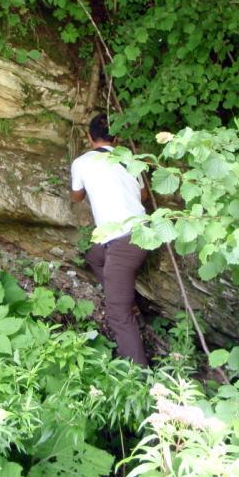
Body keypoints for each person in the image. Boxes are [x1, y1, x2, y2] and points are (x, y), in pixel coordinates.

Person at [70, 113, 149, 366]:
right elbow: (144, 195)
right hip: (144, 233)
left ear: (89, 137)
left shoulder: (82, 162)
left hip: (122, 242)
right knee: (94, 256)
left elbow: (76, 197)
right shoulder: (129, 159)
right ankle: (122, 294)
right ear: (116, 137)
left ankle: (140, 379)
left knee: (117, 315)